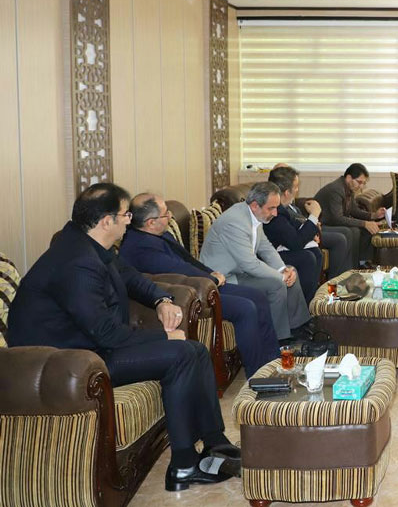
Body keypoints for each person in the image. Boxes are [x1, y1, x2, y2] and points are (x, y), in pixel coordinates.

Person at [6, 183, 241, 491]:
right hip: (67, 363)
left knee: (195, 350)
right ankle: (184, 466)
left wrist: (161, 300)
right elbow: (106, 334)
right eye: (125, 214)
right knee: (183, 354)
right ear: (107, 221)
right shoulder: (76, 263)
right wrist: (164, 337)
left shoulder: (86, 243)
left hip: (88, 349)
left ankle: (214, 442)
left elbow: (130, 276)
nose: (129, 220)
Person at [118, 193, 279, 378]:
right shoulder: (139, 247)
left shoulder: (161, 234)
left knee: (258, 296)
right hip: (185, 295)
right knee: (245, 308)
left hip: (201, 284)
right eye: (166, 214)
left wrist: (211, 273)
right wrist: (210, 279)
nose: (170, 216)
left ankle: (272, 361)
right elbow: (177, 270)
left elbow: (189, 260)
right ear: (151, 222)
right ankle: (257, 374)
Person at [199, 182, 312, 342]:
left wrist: (282, 269)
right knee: (276, 284)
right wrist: (281, 277)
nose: (275, 213)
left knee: (290, 269)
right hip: (224, 278)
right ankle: (279, 339)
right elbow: (250, 264)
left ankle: (298, 327)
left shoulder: (254, 215)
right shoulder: (235, 222)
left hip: (240, 271)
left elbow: (265, 247)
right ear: (254, 205)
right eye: (271, 208)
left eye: (276, 208)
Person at [265, 166, 350, 302]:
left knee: (315, 252)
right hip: (269, 254)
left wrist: (311, 229)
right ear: (286, 192)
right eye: (296, 187)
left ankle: (313, 300)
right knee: (307, 257)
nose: (297, 190)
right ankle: (304, 303)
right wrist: (314, 214)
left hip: (283, 247)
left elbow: (296, 226)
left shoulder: (284, 207)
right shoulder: (275, 211)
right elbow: (295, 242)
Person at [314, 163, 386, 268]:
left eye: (363, 183)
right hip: (321, 225)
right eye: (359, 182)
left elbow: (354, 210)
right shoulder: (336, 189)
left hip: (332, 223)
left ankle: (362, 263)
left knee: (365, 229)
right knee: (352, 231)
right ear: (349, 178)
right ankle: (351, 267)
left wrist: (373, 216)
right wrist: (364, 223)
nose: (361, 186)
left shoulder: (348, 188)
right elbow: (337, 219)